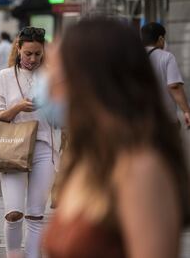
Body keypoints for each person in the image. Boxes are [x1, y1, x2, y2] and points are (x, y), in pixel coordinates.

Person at [42, 17, 190, 258]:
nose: (45, 88)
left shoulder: (140, 169)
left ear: (91, 82)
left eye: (57, 76)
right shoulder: (85, 158)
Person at [0, 27, 56, 258]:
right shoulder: (5, 76)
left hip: (43, 147)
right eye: (28, 53)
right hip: (13, 147)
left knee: (36, 214)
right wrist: (19, 106)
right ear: (18, 48)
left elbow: (61, 119)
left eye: (38, 54)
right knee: (13, 213)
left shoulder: (50, 75)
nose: (32, 59)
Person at [141, 22, 190, 128]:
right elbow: (174, 86)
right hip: (166, 120)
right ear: (161, 39)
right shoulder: (166, 57)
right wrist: (187, 111)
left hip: (142, 121)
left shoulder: (133, 56)